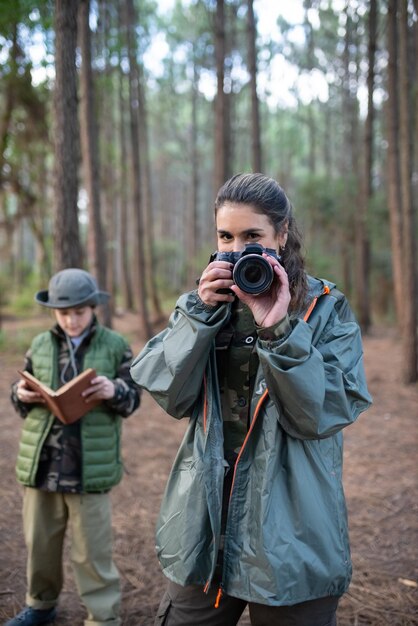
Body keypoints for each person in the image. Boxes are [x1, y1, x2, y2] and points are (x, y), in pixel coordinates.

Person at [130, 173, 372, 626]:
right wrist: (200, 318)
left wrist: (279, 329)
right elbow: (169, 393)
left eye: (252, 236)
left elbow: (322, 414)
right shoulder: (203, 305)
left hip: (292, 526)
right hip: (204, 521)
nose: (238, 250)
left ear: (281, 235)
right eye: (226, 236)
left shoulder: (324, 309)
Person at [6, 268, 141, 626]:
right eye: (63, 313)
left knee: (92, 552)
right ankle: (40, 605)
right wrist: (19, 394)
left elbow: (133, 398)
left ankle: (102, 618)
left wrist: (115, 391)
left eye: (79, 312)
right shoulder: (39, 344)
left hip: (88, 468)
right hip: (42, 464)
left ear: (93, 307)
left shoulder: (115, 345)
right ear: (53, 311)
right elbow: (20, 398)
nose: (71, 319)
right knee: (40, 544)